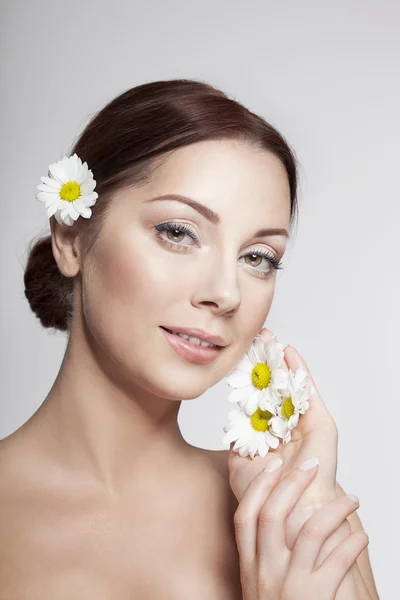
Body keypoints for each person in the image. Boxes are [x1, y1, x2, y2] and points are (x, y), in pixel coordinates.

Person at [0, 79, 379, 599]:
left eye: (257, 258)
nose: (226, 293)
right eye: (178, 232)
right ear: (71, 240)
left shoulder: (300, 519)